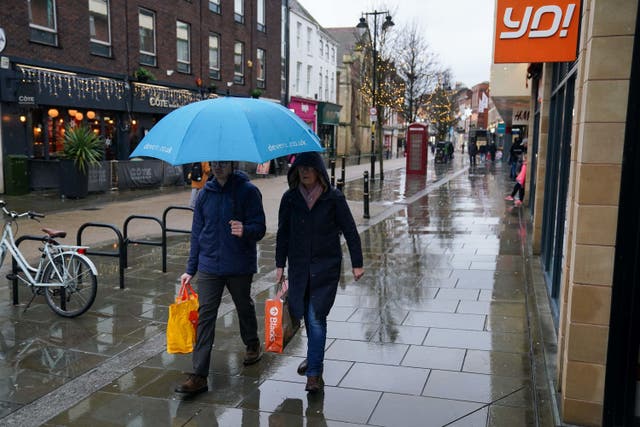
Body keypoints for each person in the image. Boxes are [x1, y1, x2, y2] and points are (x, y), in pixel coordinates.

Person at [275, 152, 364, 393]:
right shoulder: (290, 199)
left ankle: (313, 373)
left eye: (309, 168)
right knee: (300, 312)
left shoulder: (333, 198)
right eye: (300, 168)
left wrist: (357, 262)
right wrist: (279, 264)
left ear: (318, 171)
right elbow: (283, 233)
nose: (304, 172)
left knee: (316, 317)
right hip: (299, 267)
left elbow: (350, 230)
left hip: (325, 268)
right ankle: (314, 357)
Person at [175, 160, 266, 395]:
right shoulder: (205, 194)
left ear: (232, 163)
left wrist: (245, 229)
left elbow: (260, 227)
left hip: (238, 264)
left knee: (243, 306)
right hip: (209, 266)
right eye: (214, 163)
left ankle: (252, 343)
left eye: (223, 163)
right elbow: (197, 234)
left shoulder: (248, 192)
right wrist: (190, 269)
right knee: (205, 316)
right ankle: (199, 375)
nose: (217, 167)